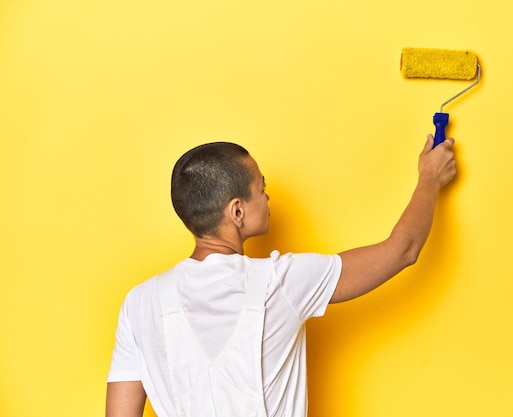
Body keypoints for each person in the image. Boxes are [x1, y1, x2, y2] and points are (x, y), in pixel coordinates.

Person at [106, 134, 457, 417]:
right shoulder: (282, 281)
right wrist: (430, 176)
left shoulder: (140, 304)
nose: (268, 196)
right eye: (261, 188)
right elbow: (403, 249)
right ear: (237, 211)